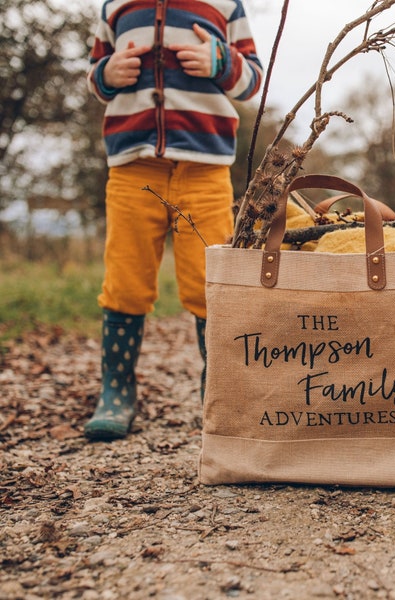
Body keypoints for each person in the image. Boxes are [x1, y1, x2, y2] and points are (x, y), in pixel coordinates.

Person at [84, 0, 263, 441]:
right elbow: (94, 75)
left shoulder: (225, 6)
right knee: (125, 277)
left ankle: (217, 390)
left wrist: (220, 61)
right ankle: (117, 390)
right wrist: (106, 75)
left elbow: (253, 79)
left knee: (210, 280)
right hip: (132, 168)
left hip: (204, 169)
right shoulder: (115, 7)